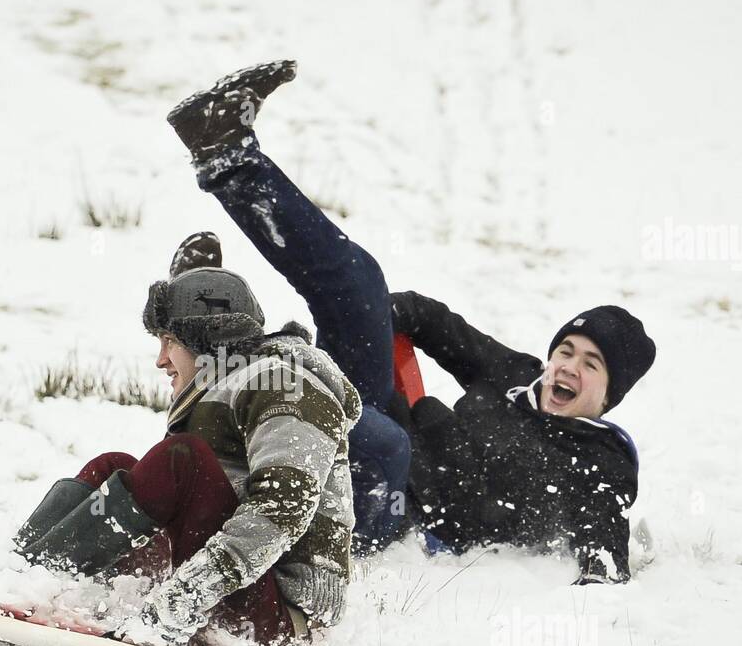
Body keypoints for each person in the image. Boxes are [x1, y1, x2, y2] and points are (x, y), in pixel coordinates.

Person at [165, 60, 656, 583]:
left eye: (591, 363)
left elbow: (604, 542)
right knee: (361, 283)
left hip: (392, 516)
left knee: (376, 433)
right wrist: (368, 317)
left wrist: (600, 575)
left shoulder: (601, 458)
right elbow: (428, 317)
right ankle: (225, 152)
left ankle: (212, 338)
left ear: (610, 395)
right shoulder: (518, 376)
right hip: (364, 435)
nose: (567, 367)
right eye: (567, 351)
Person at [0, 232, 361, 646]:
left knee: (181, 461)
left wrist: (183, 599)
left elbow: (284, 508)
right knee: (115, 467)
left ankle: (38, 581)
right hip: (234, 595)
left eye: (170, 342)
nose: (161, 360)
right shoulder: (234, 381)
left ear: (209, 340)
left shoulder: (289, 387)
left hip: (279, 630)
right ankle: (18, 574)